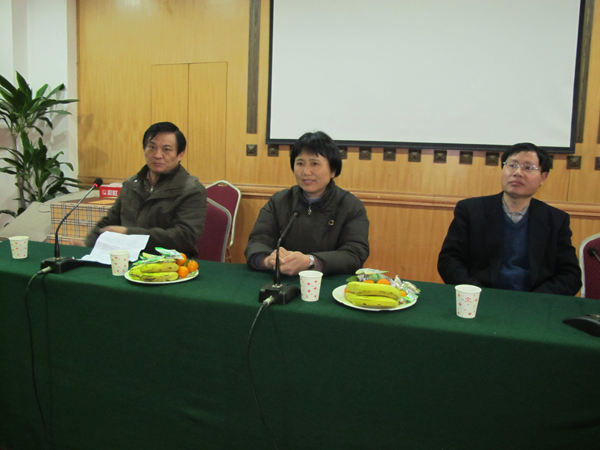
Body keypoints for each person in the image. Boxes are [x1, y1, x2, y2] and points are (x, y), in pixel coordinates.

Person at [437, 142, 581, 296]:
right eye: (512, 165)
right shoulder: (471, 210)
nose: (517, 172)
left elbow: (570, 275)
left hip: (534, 302)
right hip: (480, 299)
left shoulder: (556, 220)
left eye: (528, 167)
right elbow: (449, 260)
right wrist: (477, 293)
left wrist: (537, 300)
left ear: (543, 178)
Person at [245, 131, 370, 276]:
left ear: (333, 170)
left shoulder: (351, 206)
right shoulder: (279, 201)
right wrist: (268, 260)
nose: (306, 171)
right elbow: (257, 242)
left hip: (329, 283)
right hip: (284, 281)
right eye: (300, 163)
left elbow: (355, 254)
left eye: (314, 163)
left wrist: (311, 261)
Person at [85, 122, 206, 257]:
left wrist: (129, 234)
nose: (157, 155)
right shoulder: (131, 185)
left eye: (166, 149)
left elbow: (184, 238)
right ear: (144, 150)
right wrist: (87, 244)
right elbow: (109, 222)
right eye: (152, 147)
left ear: (180, 154)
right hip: (126, 258)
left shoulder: (191, 190)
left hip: (171, 263)